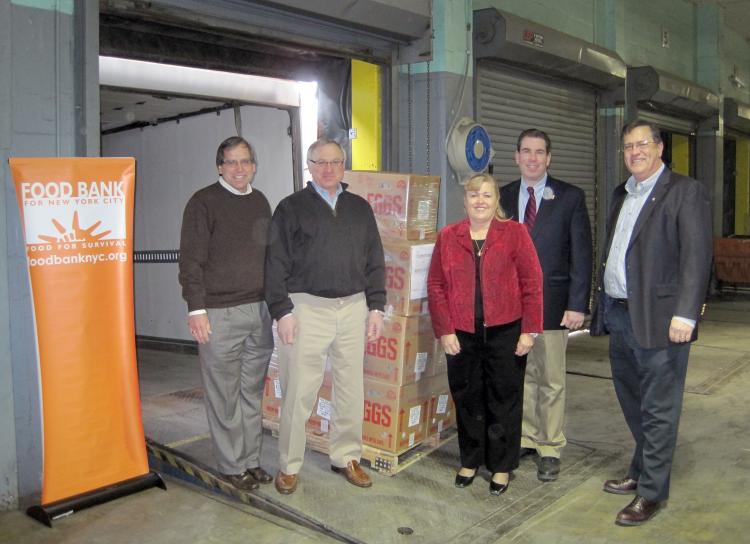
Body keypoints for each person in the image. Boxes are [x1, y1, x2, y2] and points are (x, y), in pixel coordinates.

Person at [591, 120, 712, 526]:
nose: (635, 152)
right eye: (628, 146)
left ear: (660, 148)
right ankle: (642, 469)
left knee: (659, 407)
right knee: (633, 401)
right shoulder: (621, 194)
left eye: (643, 144)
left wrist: (686, 314)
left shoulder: (684, 192)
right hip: (620, 313)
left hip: (662, 320)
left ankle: (652, 493)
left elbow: (697, 256)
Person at [264, 138, 386, 495]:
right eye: (319, 162)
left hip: (353, 307)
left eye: (335, 162)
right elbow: (274, 263)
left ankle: (346, 456)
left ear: (344, 165)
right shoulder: (290, 208)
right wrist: (282, 311)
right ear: (309, 165)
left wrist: (376, 307)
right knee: (299, 389)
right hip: (306, 307)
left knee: (350, 387)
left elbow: (375, 260)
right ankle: (288, 464)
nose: (328, 169)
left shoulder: (360, 208)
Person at [427, 172, 543, 496]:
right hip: (461, 333)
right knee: (467, 398)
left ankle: (501, 466)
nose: (480, 201)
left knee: (504, 400)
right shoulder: (448, 237)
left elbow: (532, 284)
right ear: (464, 201)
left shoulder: (515, 234)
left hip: (506, 331)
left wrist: (529, 330)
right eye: (474, 195)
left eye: (487, 195)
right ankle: (470, 459)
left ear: (496, 201)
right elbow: (435, 286)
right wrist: (445, 329)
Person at [178, 136, 275, 491]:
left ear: (253, 165)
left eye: (245, 161)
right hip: (219, 313)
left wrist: (276, 305)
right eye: (232, 162)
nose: (239, 169)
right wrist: (197, 310)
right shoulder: (203, 203)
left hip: (259, 311)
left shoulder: (260, 201)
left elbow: (269, 257)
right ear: (220, 166)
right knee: (224, 395)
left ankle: (251, 461)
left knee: (251, 392)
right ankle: (231, 466)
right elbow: (190, 261)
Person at [500, 129, 592, 482]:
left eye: (540, 152)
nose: (533, 158)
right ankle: (525, 437)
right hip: (512, 306)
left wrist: (577, 304)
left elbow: (581, 254)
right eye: (526, 151)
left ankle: (550, 446)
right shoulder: (504, 196)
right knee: (521, 375)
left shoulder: (570, 197)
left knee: (551, 379)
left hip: (554, 304)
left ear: (549, 158)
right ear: (517, 156)